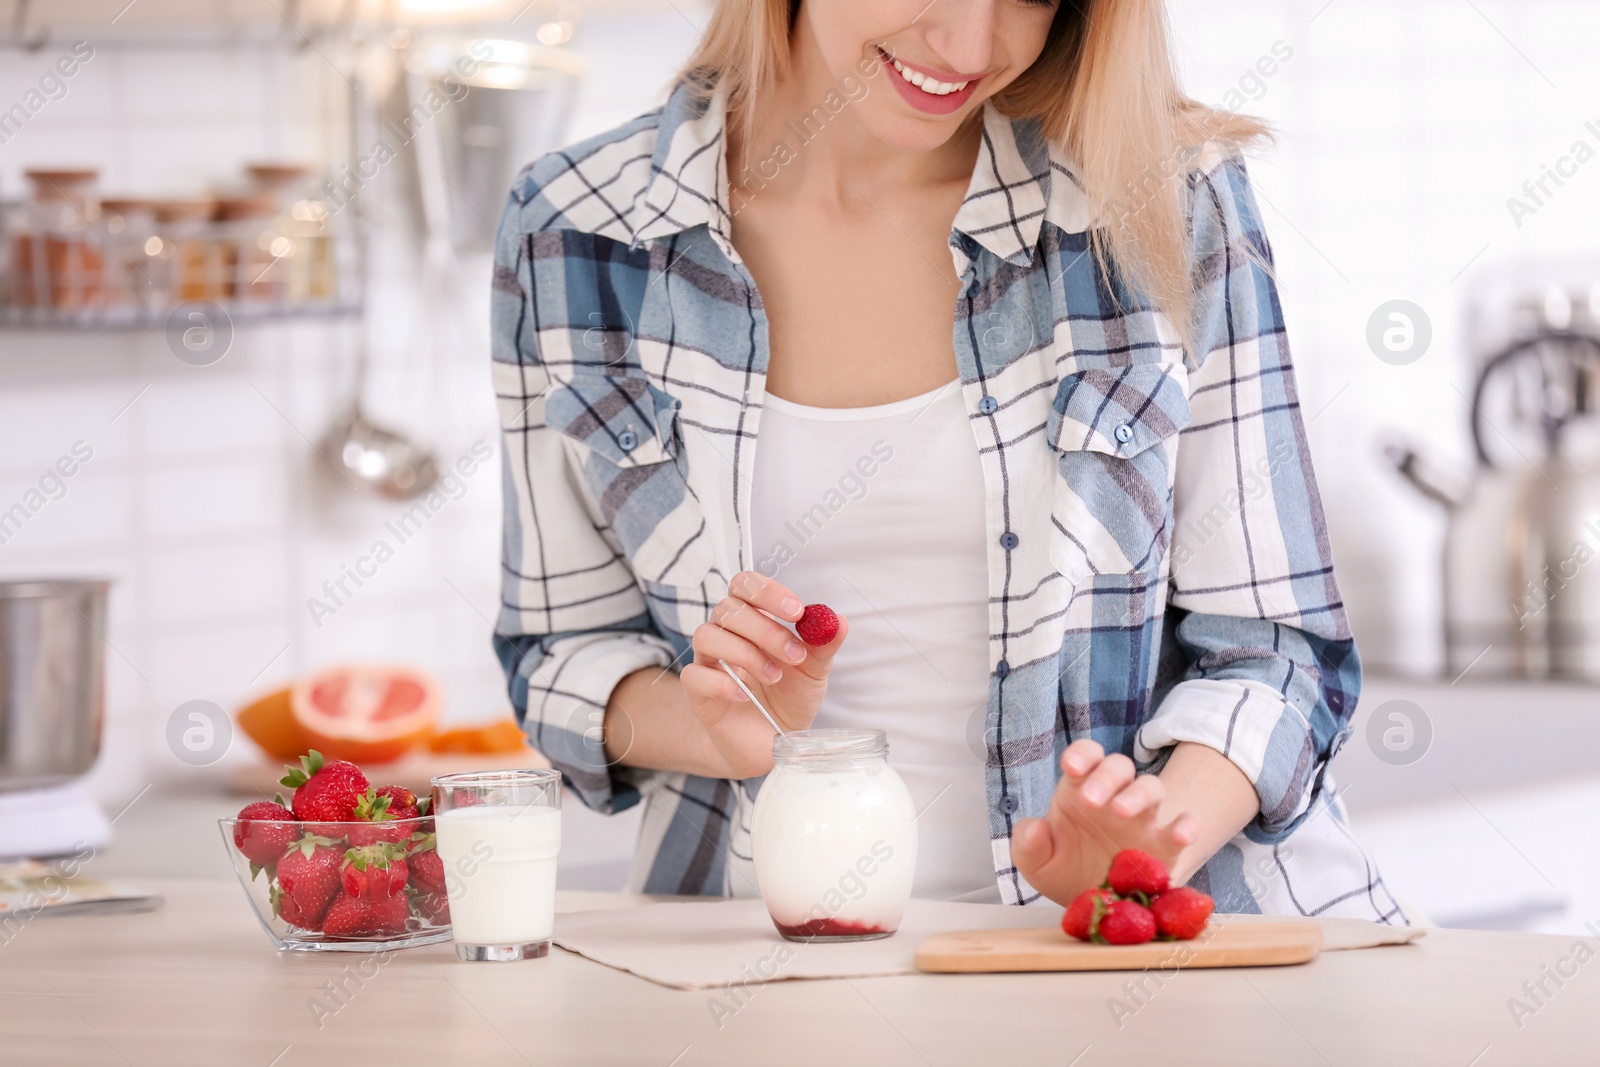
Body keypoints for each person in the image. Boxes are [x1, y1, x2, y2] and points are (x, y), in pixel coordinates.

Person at [490, 0, 1405, 922]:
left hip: (1152, 949)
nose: (971, 47)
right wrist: (715, 728)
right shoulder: (575, 230)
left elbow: (1278, 650)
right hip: (770, 971)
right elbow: (559, 653)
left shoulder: (1159, 194)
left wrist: (1134, 852)